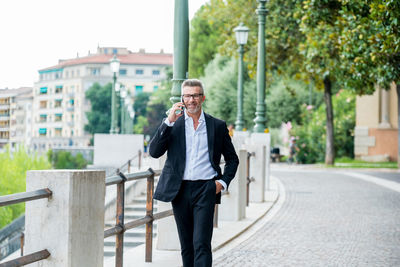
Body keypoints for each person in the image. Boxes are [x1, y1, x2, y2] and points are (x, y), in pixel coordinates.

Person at [149, 79, 239, 267]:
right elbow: (154, 151)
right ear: (182, 99)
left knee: (201, 243)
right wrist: (169, 121)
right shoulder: (174, 125)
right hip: (179, 190)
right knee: (187, 245)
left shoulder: (217, 126)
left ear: (202, 98)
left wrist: (221, 183)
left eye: (196, 95)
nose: (192, 100)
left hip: (206, 188)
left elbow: (233, 159)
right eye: (188, 96)